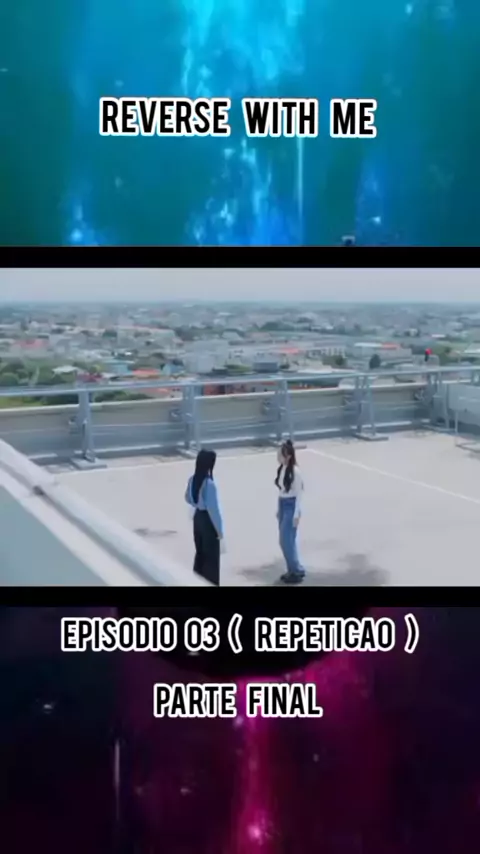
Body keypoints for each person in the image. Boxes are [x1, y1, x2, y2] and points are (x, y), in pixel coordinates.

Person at [185, 449, 224, 586]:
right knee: (211, 558)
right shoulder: (209, 484)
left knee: (200, 553)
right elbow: (214, 511)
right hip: (208, 522)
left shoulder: (192, 480)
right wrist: (220, 531)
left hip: (197, 519)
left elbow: (187, 498)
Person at [275, 439, 305, 584]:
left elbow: (299, 494)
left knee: (286, 539)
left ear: (288, 456)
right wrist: (278, 509)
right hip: (282, 503)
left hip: (291, 505)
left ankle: (296, 570)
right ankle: (292, 568)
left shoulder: (296, 472)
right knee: (285, 540)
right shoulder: (282, 468)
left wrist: (296, 514)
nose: (278, 457)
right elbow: (281, 490)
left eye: (280, 454)